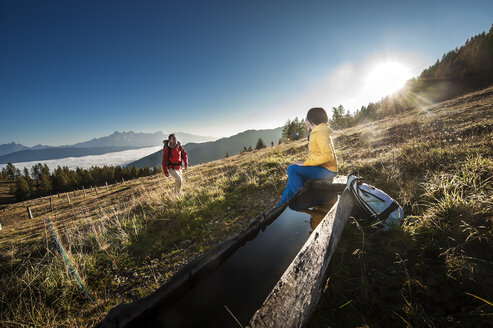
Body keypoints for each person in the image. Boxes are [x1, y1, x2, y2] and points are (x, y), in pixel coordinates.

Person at [278, 107, 338, 206]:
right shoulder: (317, 132)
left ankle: (307, 199)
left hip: (328, 171)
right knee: (291, 181)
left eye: (306, 119)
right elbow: (318, 155)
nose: (305, 121)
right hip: (322, 168)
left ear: (311, 120)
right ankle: (279, 207)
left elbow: (328, 156)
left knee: (292, 169)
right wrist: (306, 164)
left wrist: (306, 163)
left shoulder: (319, 133)